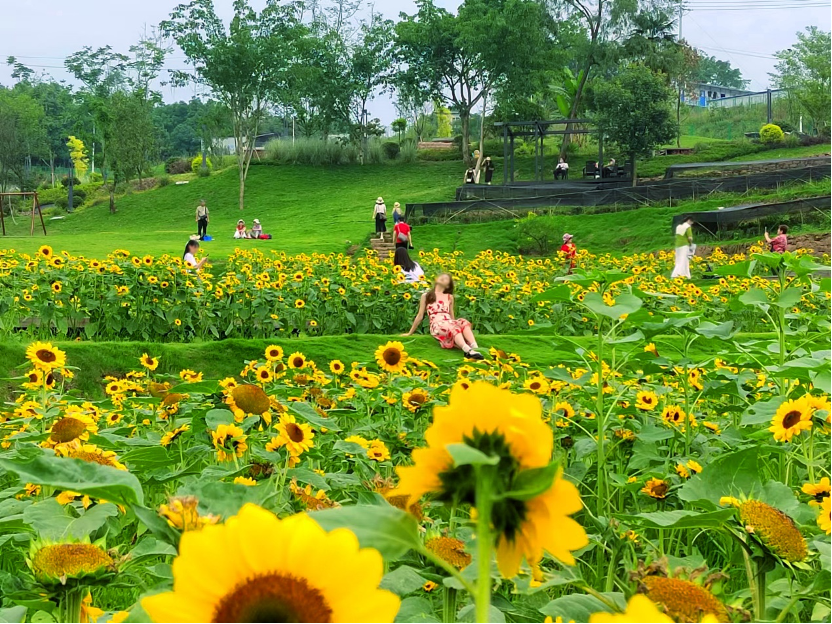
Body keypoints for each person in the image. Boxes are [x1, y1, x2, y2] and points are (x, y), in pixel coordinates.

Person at [403, 273, 484, 360]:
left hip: (449, 322)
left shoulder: (449, 297)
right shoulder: (426, 296)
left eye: (446, 278)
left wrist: (457, 326)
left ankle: (475, 347)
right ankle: (467, 350)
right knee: (452, 326)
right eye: (441, 276)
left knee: (463, 321)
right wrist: (410, 333)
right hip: (437, 325)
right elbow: (420, 316)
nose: (442, 278)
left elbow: (452, 316)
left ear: (448, 285)